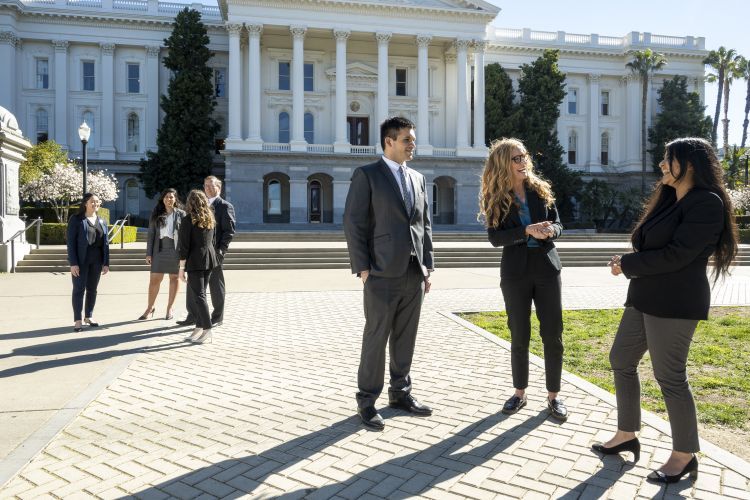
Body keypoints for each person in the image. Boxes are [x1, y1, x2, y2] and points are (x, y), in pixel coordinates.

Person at [593, 137, 738, 483]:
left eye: (667, 159)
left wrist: (629, 263)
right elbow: (649, 245)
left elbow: (678, 255)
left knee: (670, 377)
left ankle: (684, 454)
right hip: (644, 295)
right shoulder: (671, 198)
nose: (661, 165)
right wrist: (628, 263)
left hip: (676, 301)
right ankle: (627, 433)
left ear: (688, 164)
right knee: (621, 360)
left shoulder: (707, 203)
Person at [343, 116, 434, 431]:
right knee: (376, 336)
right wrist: (364, 269)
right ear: (389, 142)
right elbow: (354, 223)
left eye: (413, 138)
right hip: (380, 273)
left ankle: (400, 393)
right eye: (407, 139)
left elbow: (424, 225)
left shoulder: (418, 179)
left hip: (413, 271)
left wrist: (428, 266)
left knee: (406, 337)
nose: (412, 144)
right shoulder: (367, 175)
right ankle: (366, 401)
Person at [478, 138, 568, 422]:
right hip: (515, 274)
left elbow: (559, 224)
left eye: (525, 157)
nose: (523, 162)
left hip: (546, 269)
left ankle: (554, 396)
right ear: (504, 163)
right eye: (517, 158)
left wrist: (551, 230)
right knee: (519, 335)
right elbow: (495, 238)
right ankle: (520, 393)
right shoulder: (496, 196)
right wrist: (526, 230)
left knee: (552, 335)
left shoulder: (540, 191)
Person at [177, 176, 235, 327]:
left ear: (219, 188)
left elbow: (228, 232)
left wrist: (221, 252)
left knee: (216, 286)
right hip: (196, 255)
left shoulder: (225, 206)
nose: (208, 188)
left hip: (213, 254)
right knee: (193, 286)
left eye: (211, 186)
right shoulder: (200, 206)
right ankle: (193, 315)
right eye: (205, 186)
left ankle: (217, 317)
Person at [178, 190, 219, 344]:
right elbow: (212, 241)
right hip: (209, 259)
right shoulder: (210, 219)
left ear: (190, 202)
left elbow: (184, 246)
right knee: (200, 295)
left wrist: (181, 268)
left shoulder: (188, 220)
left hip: (195, 261)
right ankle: (198, 327)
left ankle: (207, 328)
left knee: (199, 296)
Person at [140, 188, 186, 320]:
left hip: (176, 250)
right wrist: (149, 253)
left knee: (174, 278)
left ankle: (169, 308)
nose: (169, 199)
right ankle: (150, 307)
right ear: (162, 199)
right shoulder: (156, 213)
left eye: (171, 197)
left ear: (175, 199)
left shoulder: (181, 214)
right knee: (154, 279)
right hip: (159, 249)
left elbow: (185, 235)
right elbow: (151, 235)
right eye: (166, 197)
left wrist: (185, 254)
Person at [67, 193, 110, 332]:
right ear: (85, 203)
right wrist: (73, 263)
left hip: (97, 261)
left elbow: (106, 244)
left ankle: (88, 316)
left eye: (97, 201)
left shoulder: (102, 221)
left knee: (92, 289)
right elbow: (71, 243)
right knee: (79, 289)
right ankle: (78, 320)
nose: (95, 204)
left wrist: (106, 263)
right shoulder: (77, 219)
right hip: (80, 261)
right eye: (92, 201)